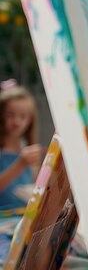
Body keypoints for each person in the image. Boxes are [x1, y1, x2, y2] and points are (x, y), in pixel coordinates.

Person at [0, 79, 42, 210]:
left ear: (30, 121)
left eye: (23, 116)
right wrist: (21, 164)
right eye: (10, 115)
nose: (16, 121)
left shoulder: (27, 148)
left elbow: (34, 184)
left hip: (23, 216)